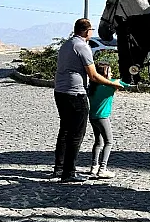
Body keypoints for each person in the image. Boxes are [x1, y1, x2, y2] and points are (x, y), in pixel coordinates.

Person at [53, 18, 124, 183]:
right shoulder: (83, 47)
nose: (92, 33)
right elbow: (93, 75)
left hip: (60, 92)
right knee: (76, 133)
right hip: (75, 94)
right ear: (86, 31)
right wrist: (112, 83)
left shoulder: (66, 45)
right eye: (91, 30)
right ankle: (69, 173)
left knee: (64, 130)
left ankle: (59, 167)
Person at [87, 61, 129, 179]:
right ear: (103, 75)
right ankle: (103, 169)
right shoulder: (108, 86)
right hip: (103, 117)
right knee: (108, 142)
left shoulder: (93, 86)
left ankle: (94, 166)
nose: (111, 74)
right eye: (109, 72)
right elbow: (126, 84)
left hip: (93, 117)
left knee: (98, 142)